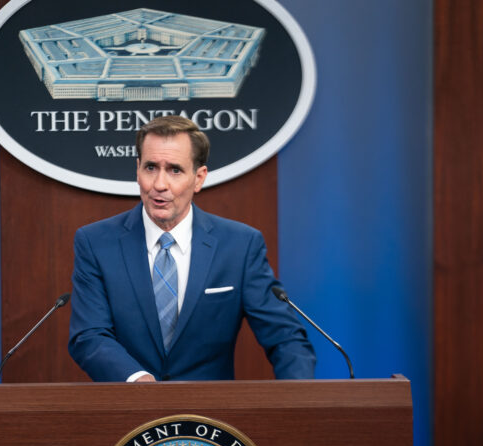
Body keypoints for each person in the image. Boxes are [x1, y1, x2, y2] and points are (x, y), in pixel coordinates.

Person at [68, 115, 315, 382]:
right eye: (151, 167)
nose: (159, 184)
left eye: (175, 170)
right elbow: (89, 335)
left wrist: (297, 401)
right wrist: (138, 380)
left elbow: (285, 338)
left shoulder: (239, 246)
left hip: (210, 418)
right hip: (128, 413)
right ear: (137, 170)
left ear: (199, 178)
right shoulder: (96, 243)